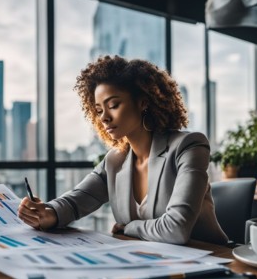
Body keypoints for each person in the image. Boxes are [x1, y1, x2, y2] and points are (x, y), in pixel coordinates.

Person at [17, 55, 228, 245]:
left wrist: (130, 228)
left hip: (212, 261)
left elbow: (177, 229)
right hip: (152, 263)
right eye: (99, 110)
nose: (104, 117)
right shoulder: (114, 161)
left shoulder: (188, 146)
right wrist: (47, 213)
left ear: (143, 102)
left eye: (114, 105)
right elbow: (74, 202)